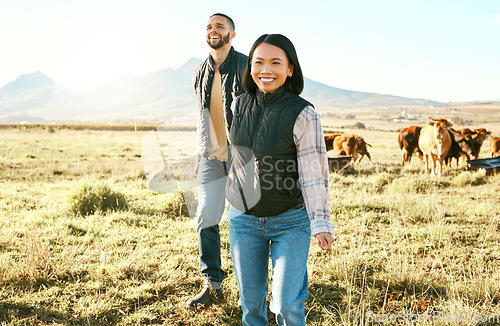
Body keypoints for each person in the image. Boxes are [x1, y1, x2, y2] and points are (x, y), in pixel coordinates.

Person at [225, 34, 335, 325]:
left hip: (290, 221)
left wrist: (320, 222)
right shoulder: (238, 106)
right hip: (243, 220)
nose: (266, 69)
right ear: (250, 67)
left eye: (276, 62)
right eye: (258, 62)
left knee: (287, 306)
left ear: (290, 69)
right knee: (251, 307)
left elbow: (314, 173)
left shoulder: (303, 113)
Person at [186, 13, 247, 309]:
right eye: (209, 26)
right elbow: (202, 115)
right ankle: (212, 283)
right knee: (206, 217)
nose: (213, 30)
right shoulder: (200, 71)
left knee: (245, 223)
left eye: (220, 26)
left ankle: (252, 285)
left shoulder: (247, 66)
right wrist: (201, 152)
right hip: (210, 158)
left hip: (242, 159)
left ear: (232, 35)